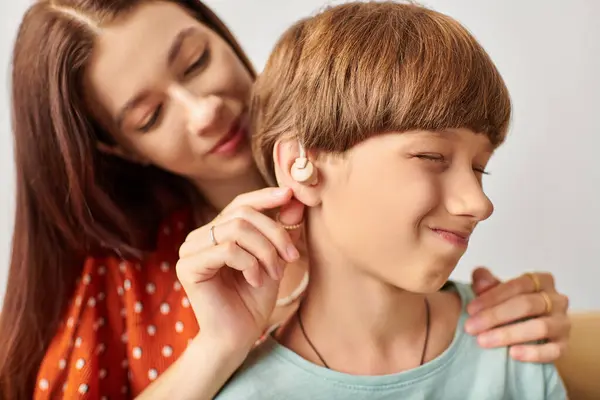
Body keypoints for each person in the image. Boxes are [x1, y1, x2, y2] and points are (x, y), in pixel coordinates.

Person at [0, 0, 569, 399]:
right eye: (150, 116)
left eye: (196, 60)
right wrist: (217, 350)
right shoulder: (121, 283)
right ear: (117, 146)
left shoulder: (358, 108)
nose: (205, 110)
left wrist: (541, 322)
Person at [214, 2, 567, 399]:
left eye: (480, 168)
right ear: (303, 163)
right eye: (432, 157)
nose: (479, 203)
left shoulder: (513, 348)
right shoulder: (249, 392)